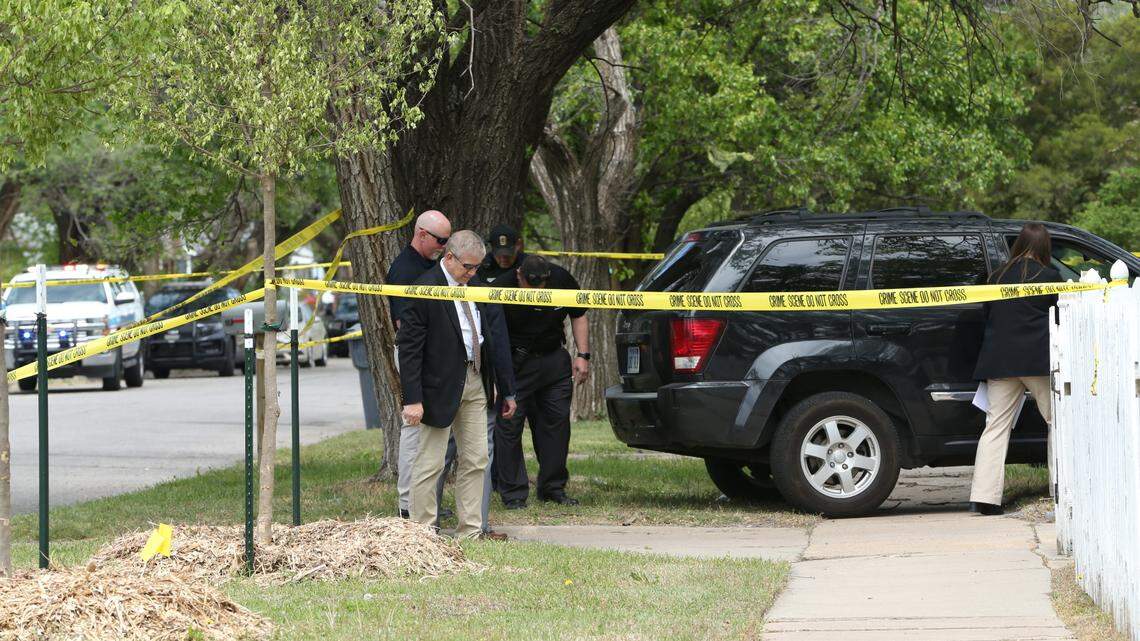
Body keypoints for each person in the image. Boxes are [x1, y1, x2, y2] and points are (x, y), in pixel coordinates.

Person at [397, 230, 517, 538]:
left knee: (477, 458)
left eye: (477, 267)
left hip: (476, 380)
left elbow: (495, 338)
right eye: (468, 267)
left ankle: (471, 531)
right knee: (431, 463)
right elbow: (409, 349)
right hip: (437, 385)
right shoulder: (423, 288)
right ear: (448, 258)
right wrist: (412, 398)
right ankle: (422, 533)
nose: (473, 273)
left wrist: (506, 389)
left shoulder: (474, 284)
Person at [969, 222, 1060, 516]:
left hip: (1000, 361)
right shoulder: (1050, 277)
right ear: (1045, 248)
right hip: (1037, 362)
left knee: (995, 427)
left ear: (1019, 245)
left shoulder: (996, 276)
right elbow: (1058, 316)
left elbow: (987, 316)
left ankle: (984, 498)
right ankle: (1059, 488)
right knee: (1055, 422)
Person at [494, 255, 589, 509]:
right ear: (519, 276)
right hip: (516, 363)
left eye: (542, 285)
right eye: (530, 285)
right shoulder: (502, 286)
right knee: (509, 426)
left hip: (553, 359)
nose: (537, 291)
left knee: (556, 424)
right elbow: (490, 331)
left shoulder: (561, 279)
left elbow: (578, 314)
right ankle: (514, 494)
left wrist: (583, 355)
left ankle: (553, 488)